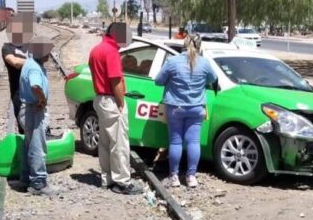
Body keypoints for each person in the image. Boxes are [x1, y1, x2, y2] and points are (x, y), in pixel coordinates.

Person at [155, 34, 217, 188]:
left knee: (175, 141)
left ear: (183, 45)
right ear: (199, 46)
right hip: (196, 108)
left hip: (175, 107)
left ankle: (174, 176)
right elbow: (212, 79)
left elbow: (158, 80)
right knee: (193, 142)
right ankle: (191, 177)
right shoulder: (204, 63)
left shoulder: (172, 62)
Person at [87, 22, 142, 195]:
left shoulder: (96, 49)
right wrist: (121, 103)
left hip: (100, 99)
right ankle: (122, 182)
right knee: (119, 143)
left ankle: (108, 178)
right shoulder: (111, 52)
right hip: (111, 100)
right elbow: (115, 80)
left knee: (105, 142)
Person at [17, 37, 59, 196]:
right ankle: (38, 184)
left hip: (27, 110)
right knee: (37, 148)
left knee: (29, 146)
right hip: (33, 111)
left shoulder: (29, 62)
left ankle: (25, 179)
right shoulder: (35, 68)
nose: (50, 55)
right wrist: (42, 99)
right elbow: (35, 85)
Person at [2, 13, 34, 134]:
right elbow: (14, 62)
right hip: (18, 93)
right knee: (23, 124)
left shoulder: (30, 45)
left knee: (37, 123)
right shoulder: (7, 48)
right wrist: (32, 62)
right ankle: (25, 149)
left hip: (34, 90)